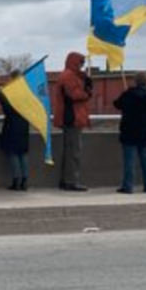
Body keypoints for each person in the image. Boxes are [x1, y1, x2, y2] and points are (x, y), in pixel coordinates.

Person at [113, 73, 146, 194]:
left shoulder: (129, 94)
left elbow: (117, 104)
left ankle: (128, 186)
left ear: (135, 81)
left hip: (130, 130)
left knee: (129, 160)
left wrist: (126, 93)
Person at [51, 52, 92, 191]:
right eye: (81, 63)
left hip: (70, 118)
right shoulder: (69, 76)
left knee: (70, 151)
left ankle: (66, 180)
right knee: (74, 152)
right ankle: (71, 181)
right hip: (72, 118)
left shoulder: (68, 75)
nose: (82, 65)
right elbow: (75, 96)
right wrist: (88, 91)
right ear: (75, 62)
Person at [0, 70, 30, 191]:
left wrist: (0, 95)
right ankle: (25, 181)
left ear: (12, 78)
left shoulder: (13, 93)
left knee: (14, 154)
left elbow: (8, 110)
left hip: (12, 125)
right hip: (24, 125)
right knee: (23, 153)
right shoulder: (26, 92)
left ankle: (16, 181)